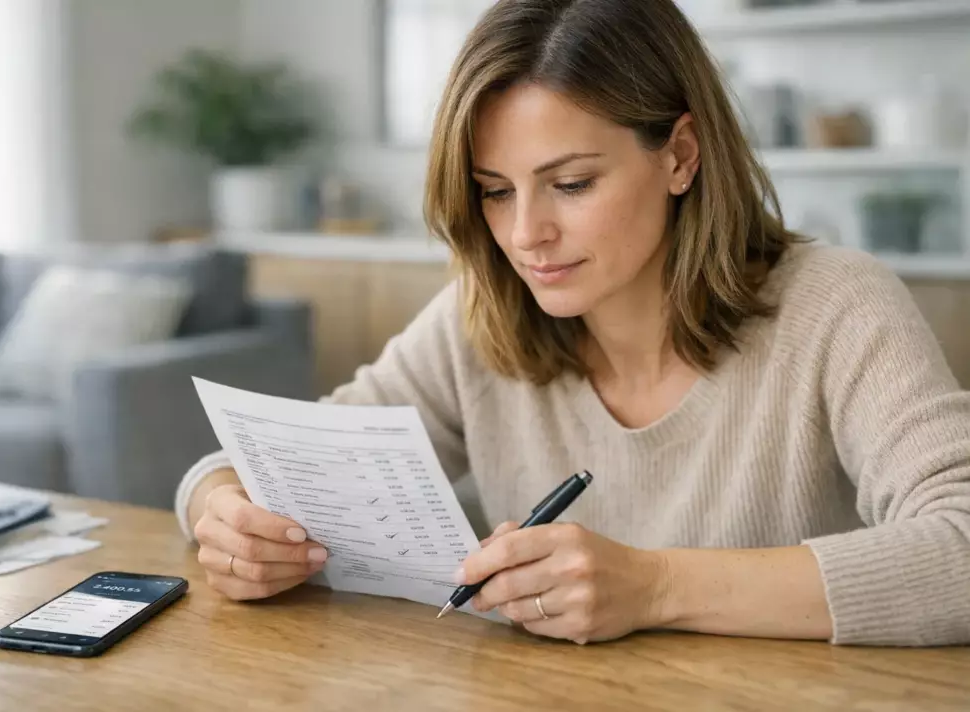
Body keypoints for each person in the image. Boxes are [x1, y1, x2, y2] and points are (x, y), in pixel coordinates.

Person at [174, 0, 970, 647]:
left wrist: (655, 585)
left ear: (681, 155)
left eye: (573, 183)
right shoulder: (480, 314)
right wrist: (220, 507)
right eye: (494, 190)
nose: (526, 236)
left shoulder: (837, 305)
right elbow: (288, 461)